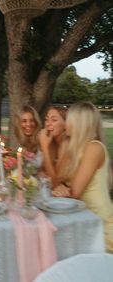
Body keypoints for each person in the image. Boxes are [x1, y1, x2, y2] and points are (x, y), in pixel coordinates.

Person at [52, 102, 113, 252]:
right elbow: (54, 181)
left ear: (80, 123)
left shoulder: (94, 147)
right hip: (81, 220)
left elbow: (74, 194)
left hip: (100, 224)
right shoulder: (74, 147)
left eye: (69, 119)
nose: (66, 123)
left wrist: (62, 188)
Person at [38, 106, 67, 184]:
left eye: (54, 120)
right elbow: (43, 171)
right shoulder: (51, 143)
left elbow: (54, 183)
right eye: (46, 119)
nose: (48, 124)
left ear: (65, 124)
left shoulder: (67, 145)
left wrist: (44, 147)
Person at [14, 105, 43, 169]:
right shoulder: (21, 140)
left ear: (36, 122)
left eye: (32, 120)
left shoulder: (42, 138)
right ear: (19, 123)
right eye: (24, 121)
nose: (28, 124)